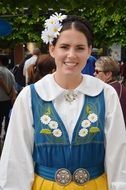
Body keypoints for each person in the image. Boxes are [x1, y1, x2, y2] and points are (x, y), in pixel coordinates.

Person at [0, 12, 126, 190]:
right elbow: (16, 158)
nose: (71, 55)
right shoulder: (30, 96)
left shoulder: (106, 94)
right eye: (64, 46)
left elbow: (119, 156)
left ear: (90, 51)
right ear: (52, 49)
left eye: (80, 48)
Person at [94, 56, 126, 126]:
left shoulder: (109, 91)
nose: (94, 74)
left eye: (97, 71)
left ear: (108, 74)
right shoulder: (119, 87)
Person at [0, 55, 17, 141]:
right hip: (8, 100)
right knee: (7, 119)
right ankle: (6, 136)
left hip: (1, 99)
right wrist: (12, 98)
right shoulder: (10, 73)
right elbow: (14, 88)